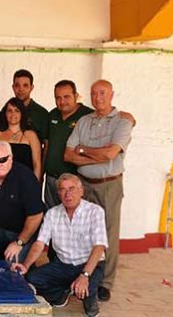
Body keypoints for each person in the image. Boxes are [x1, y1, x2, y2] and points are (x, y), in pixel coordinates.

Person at [64, 79, 133, 302]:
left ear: (112, 94)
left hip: (109, 184)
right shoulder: (84, 120)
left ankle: (105, 283)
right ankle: (84, 275)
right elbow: (68, 154)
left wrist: (83, 151)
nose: (98, 98)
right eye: (93, 94)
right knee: (83, 231)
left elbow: (111, 154)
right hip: (84, 184)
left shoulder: (122, 121)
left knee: (109, 233)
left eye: (102, 93)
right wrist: (96, 153)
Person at [11, 173, 107, 317]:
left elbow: (99, 247)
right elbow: (39, 243)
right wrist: (26, 265)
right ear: (58, 194)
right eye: (62, 189)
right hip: (63, 264)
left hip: (89, 264)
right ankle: (60, 295)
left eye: (72, 188)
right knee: (33, 278)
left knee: (87, 289)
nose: (67, 193)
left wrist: (84, 275)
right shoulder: (52, 214)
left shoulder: (95, 212)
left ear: (81, 191)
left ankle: (91, 306)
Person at [43, 80, 93, 208]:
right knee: (52, 216)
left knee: (73, 218)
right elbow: (46, 145)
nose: (62, 101)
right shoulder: (52, 114)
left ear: (76, 96)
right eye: (58, 98)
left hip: (73, 182)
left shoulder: (88, 115)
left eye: (66, 97)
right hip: (51, 180)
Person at [0, 97, 42, 180]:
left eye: (17, 111)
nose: (13, 114)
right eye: (9, 110)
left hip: (24, 182)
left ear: (22, 113)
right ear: (5, 113)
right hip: (0, 182)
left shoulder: (31, 135)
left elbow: (37, 164)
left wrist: (34, 186)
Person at [12, 69, 49, 142]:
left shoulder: (41, 113)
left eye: (25, 85)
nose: (21, 89)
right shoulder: (7, 111)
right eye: (17, 85)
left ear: (31, 88)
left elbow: (46, 143)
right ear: (13, 87)